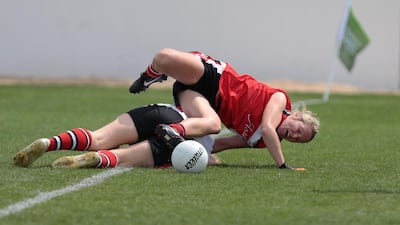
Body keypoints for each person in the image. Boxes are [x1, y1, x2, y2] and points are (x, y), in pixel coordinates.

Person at [129, 48, 320, 169]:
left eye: (297, 140)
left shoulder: (261, 142)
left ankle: (141, 139)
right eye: (298, 130)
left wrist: (204, 155)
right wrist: (282, 165)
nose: (294, 136)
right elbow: (268, 128)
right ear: (295, 115)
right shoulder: (280, 99)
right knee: (164, 57)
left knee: (211, 125)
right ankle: (150, 75)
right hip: (215, 78)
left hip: (203, 99)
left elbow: (224, 143)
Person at [13, 103, 220, 169]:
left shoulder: (195, 104)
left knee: (97, 138)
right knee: (121, 157)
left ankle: (49, 143)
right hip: (183, 142)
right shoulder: (210, 135)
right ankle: (100, 158)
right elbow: (217, 148)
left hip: (165, 112)